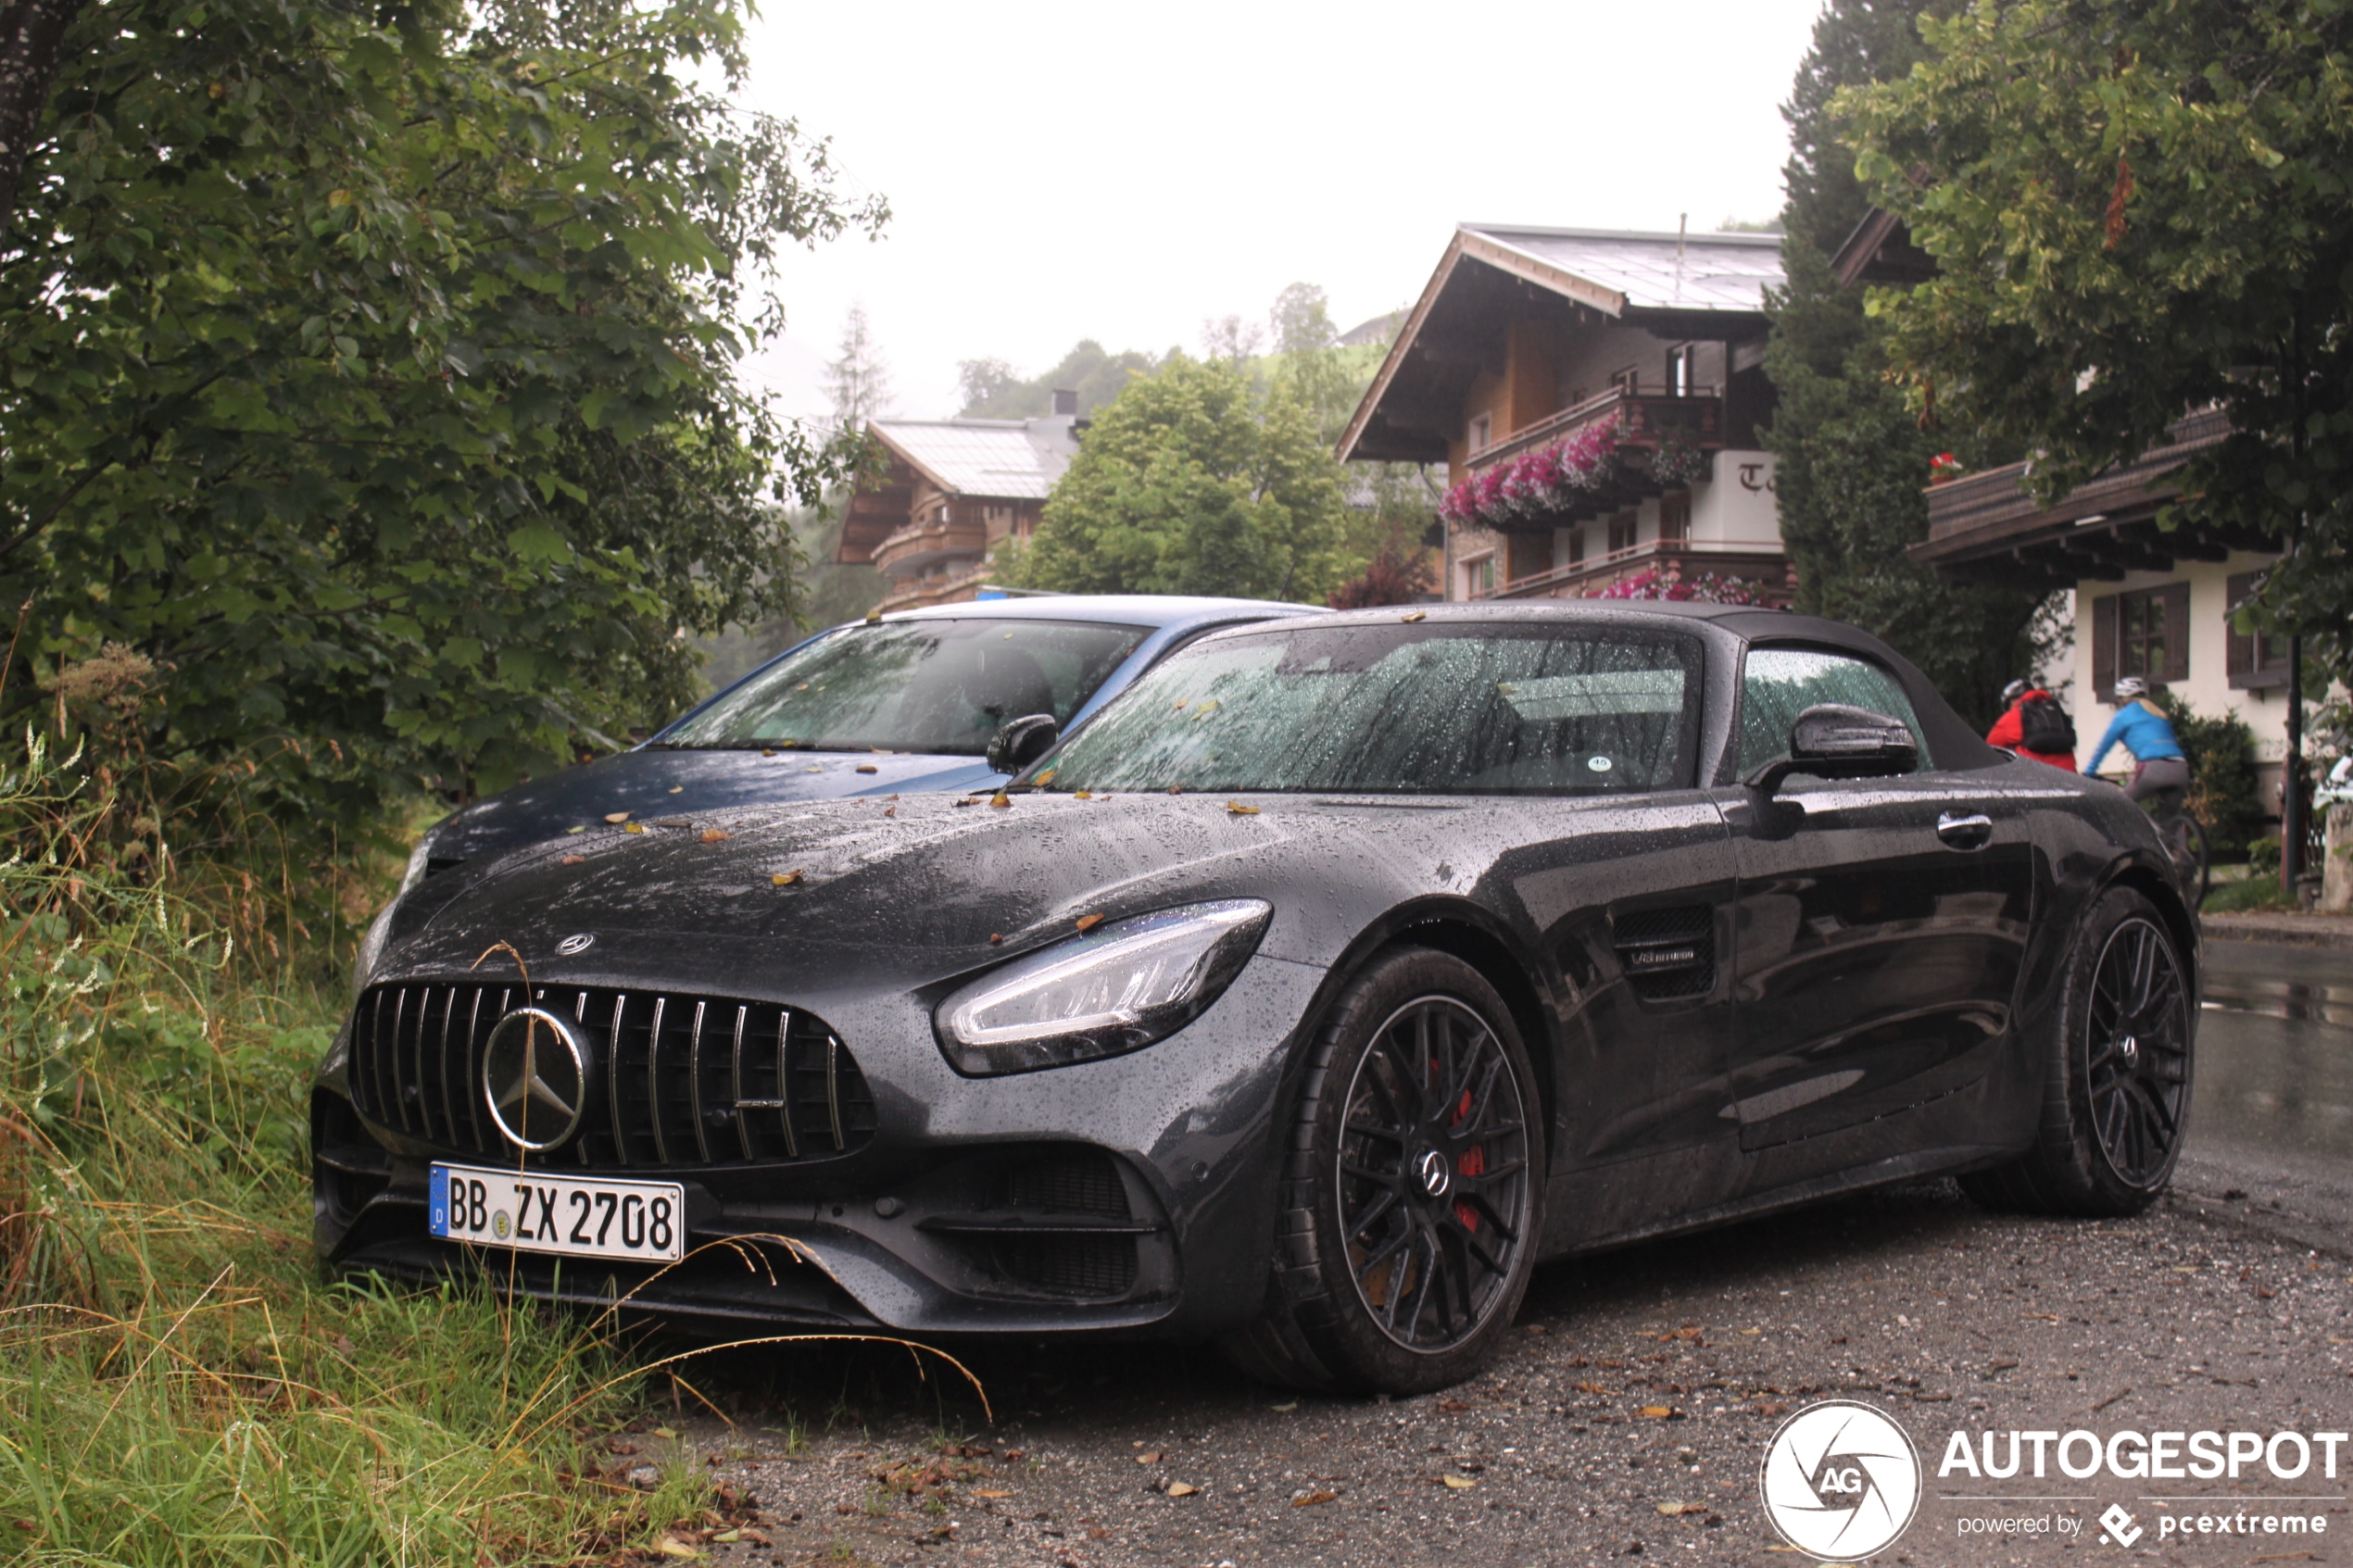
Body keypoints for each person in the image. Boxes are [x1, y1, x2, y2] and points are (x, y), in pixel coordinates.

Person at [2084, 676, 2190, 807]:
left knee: (2121, 803)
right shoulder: (2159, 714)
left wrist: (2089, 772)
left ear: (2123, 699)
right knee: (2170, 822)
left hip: (2154, 770)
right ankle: (2173, 826)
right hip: (2180, 769)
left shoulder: (2123, 715)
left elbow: (2103, 747)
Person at [1986, 677, 2078, 771]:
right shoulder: (2056, 711)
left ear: (2012, 701)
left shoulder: (2013, 715)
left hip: (2032, 775)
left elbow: (1990, 750)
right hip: (2068, 774)